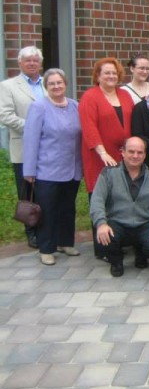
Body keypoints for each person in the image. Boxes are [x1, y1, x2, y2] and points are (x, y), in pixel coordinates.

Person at [22, 68, 82, 265]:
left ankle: (66, 242)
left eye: (59, 83)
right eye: (51, 84)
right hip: (47, 170)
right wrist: (29, 171)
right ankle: (46, 248)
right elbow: (31, 140)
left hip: (72, 169)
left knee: (67, 208)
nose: (56, 86)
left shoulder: (75, 105)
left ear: (65, 84)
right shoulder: (39, 107)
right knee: (47, 210)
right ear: (46, 86)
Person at [90, 137, 149, 277]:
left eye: (139, 152)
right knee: (103, 240)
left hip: (144, 223)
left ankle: (141, 251)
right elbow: (97, 201)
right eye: (131, 151)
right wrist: (101, 224)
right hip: (117, 223)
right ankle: (116, 260)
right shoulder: (108, 173)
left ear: (144, 155)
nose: (135, 156)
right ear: (122, 152)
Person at [0, 46, 46, 248]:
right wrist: (32, 127)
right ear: (20, 63)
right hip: (23, 147)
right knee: (27, 191)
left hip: (48, 147)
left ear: (40, 63)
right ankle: (31, 232)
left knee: (46, 189)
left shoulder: (50, 83)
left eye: (35, 60)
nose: (32, 63)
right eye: (27, 60)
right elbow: (5, 115)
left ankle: (46, 229)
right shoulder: (8, 86)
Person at [79, 57, 134, 196]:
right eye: (107, 73)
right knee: (102, 196)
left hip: (125, 156)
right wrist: (103, 153)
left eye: (114, 73)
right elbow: (89, 127)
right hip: (100, 156)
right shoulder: (89, 97)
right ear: (98, 76)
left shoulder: (125, 94)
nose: (111, 76)